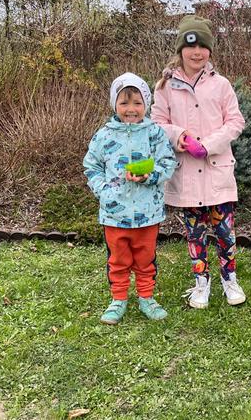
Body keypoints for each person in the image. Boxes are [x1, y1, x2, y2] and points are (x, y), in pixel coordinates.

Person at [151, 15, 246, 309]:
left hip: (218, 174)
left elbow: (235, 121)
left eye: (203, 47)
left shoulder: (221, 85)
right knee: (194, 233)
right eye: (190, 47)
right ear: (181, 50)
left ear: (210, 50)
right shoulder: (165, 87)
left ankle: (229, 279)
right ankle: (201, 282)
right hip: (187, 175)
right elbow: (157, 122)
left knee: (225, 233)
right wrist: (178, 136)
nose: (197, 53)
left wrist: (208, 145)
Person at [83, 73, 177, 324]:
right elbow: (91, 166)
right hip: (114, 214)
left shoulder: (154, 133)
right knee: (118, 260)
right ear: (114, 104)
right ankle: (118, 299)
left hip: (148, 213)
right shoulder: (104, 135)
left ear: (146, 103)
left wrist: (149, 176)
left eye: (137, 102)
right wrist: (104, 191)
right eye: (124, 103)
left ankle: (147, 297)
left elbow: (168, 163)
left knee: (146, 260)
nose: (131, 109)